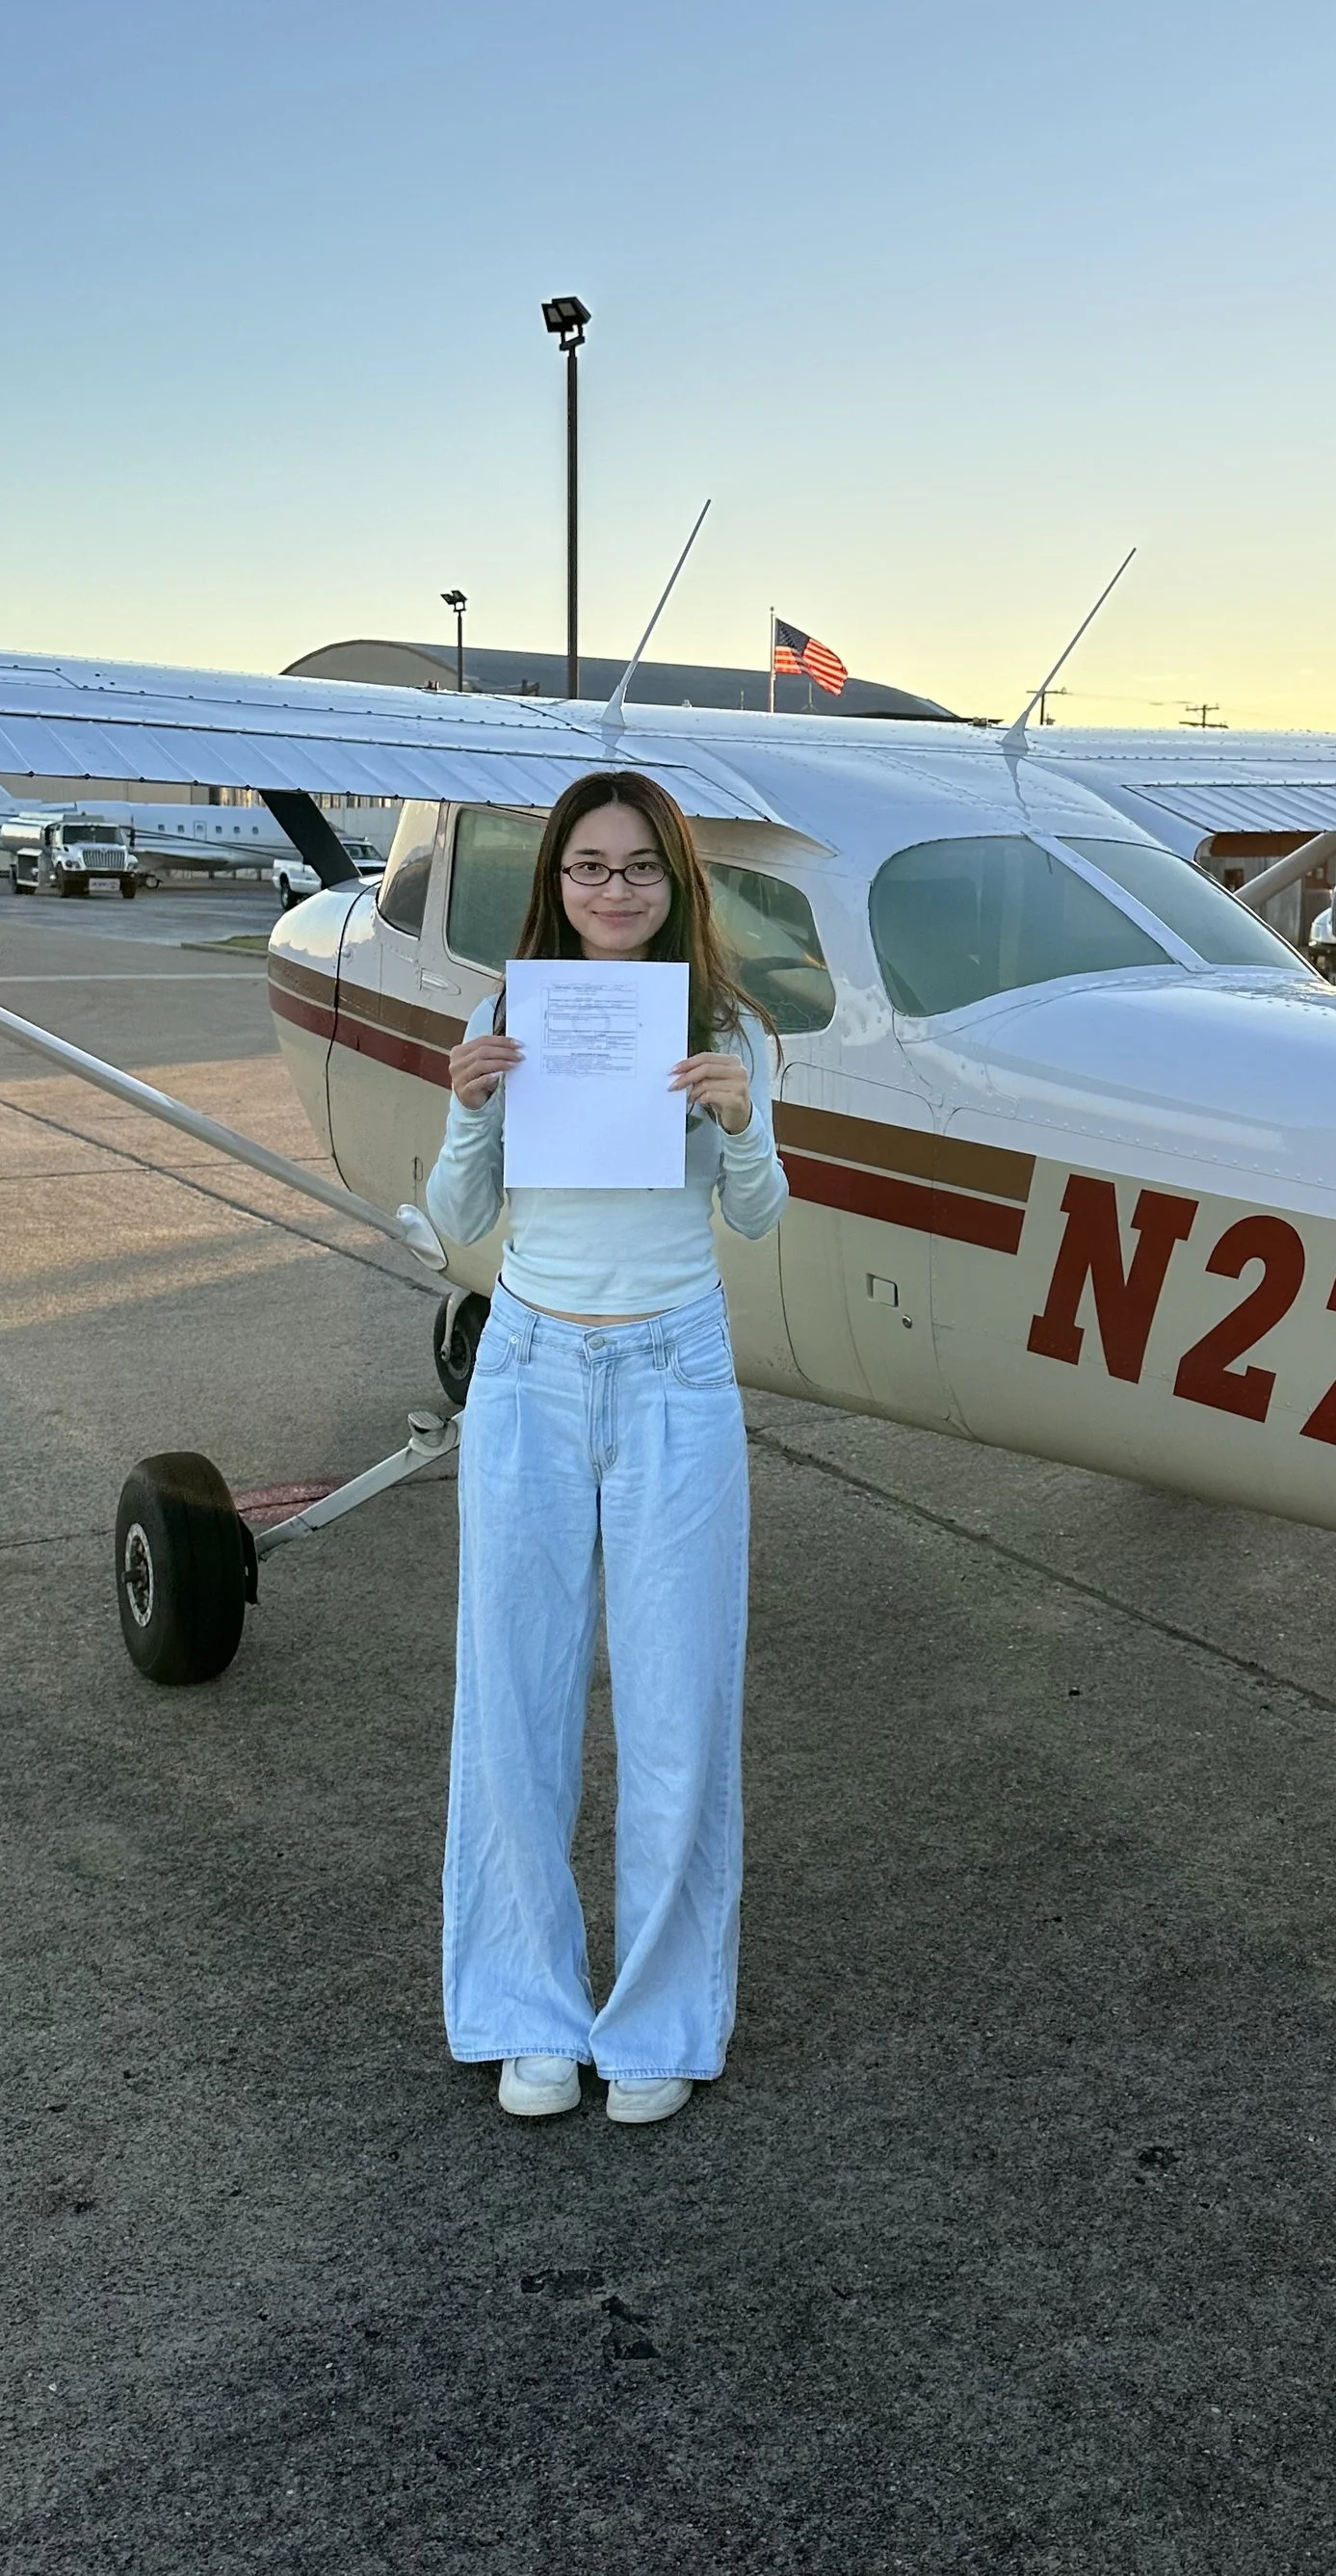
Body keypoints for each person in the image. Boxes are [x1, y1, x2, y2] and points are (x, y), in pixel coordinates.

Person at [426, 771, 787, 2123]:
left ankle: (658, 2019)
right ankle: (526, 2008)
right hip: (528, 1362)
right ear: (555, 883)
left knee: (680, 1699)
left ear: (676, 882)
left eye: (639, 867)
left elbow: (756, 1220)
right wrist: (468, 1103)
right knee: (512, 1692)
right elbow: (461, 1207)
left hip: (673, 1370)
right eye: (588, 867)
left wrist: (739, 1122)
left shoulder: (725, 1026)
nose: (614, 889)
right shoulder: (508, 1012)